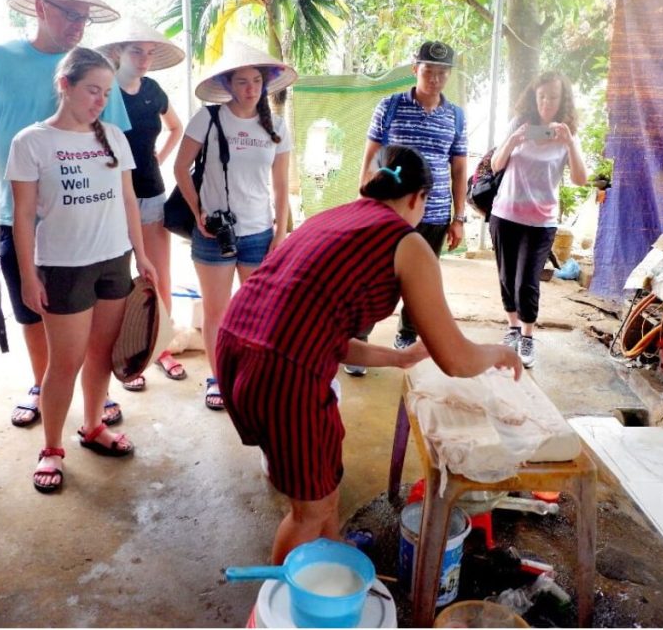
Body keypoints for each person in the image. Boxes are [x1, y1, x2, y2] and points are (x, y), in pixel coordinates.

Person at [216, 145, 522, 563]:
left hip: (236, 345)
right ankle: (284, 607)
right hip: (284, 371)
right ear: (419, 198)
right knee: (310, 510)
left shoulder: (335, 216)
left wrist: (398, 358)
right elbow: (456, 359)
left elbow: (316, 330)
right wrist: (498, 352)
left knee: (323, 481)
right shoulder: (407, 242)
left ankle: (332, 555)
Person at [0, 0, 132, 429]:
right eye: (69, 15)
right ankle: (45, 383)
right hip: (16, 212)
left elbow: (114, 148)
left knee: (92, 316)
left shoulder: (92, 70)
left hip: (87, 222)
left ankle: (92, 401)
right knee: (33, 309)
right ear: (40, 7)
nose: (78, 26)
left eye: (85, 18)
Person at [8, 47, 155, 493]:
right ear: (64, 85)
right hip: (63, 267)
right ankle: (51, 448)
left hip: (113, 260)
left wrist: (141, 253)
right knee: (65, 362)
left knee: (101, 354)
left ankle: (93, 425)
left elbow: (128, 198)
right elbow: (23, 214)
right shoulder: (31, 142)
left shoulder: (112, 134)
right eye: (92, 89)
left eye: (106, 93)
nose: (99, 100)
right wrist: (29, 275)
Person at [172, 42, 295, 411]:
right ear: (228, 85)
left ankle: (254, 373)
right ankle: (218, 377)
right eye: (241, 81)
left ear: (266, 83)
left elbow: (282, 184)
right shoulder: (207, 119)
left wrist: (280, 233)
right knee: (217, 312)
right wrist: (197, 213)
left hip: (259, 233)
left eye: (256, 80)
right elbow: (180, 168)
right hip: (214, 233)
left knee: (259, 311)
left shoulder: (276, 126)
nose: (250, 88)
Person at [347, 41, 468, 376]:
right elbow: (371, 157)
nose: (435, 78)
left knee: (423, 280)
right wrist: (365, 202)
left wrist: (458, 218)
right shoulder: (390, 106)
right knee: (373, 277)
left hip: (434, 213)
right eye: (429, 70)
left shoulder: (455, 116)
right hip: (389, 213)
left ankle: (407, 336)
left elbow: (459, 169)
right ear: (415, 70)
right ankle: (359, 342)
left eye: (442, 72)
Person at [96, 20, 186, 391]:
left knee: (158, 274)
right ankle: (125, 351)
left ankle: (159, 346)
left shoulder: (153, 90)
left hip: (150, 190)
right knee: (116, 280)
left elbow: (176, 127)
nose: (144, 59)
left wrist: (156, 159)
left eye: (149, 53)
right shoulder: (104, 91)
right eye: (137, 51)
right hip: (109, 197)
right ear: (118, 53)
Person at [488, 71, 587, 368]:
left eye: (553, 97)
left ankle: (528, 336)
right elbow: (495, 165)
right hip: (505, 215)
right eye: (541, 96)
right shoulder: (519, 124)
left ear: (563, 100)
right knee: (507, 278)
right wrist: (513, 140)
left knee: (527, 281)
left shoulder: (566, 134)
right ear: (534, 96)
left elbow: (581, 180)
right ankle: (513, 329)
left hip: (541, 221)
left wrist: (569, 143)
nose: (546, 102)